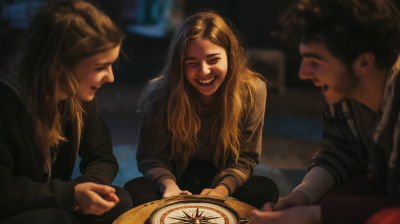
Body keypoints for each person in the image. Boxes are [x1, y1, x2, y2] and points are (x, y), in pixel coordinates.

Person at [252, 0, 400, 223]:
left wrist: (315, 215)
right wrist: (303, 195)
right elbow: (339, 147)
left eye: (315, 61)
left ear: (363, 62)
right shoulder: (342, 88)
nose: (303, 73)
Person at [123, 11, 279, 209]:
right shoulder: (160, 92)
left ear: (230, 57)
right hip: (176, 173)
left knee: (266, 191)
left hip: (223, 173)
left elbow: (245, 159)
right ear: (179, 65)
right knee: (133, 191)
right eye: (192, 63)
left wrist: (221, 191)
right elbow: (150, 157)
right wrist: (169, 186)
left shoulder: (253, 89)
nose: (204, 71)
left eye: (213, 59)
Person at [0, 1, 132, 223]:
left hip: (53, 201)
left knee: (122, 201)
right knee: (59, 218)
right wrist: (69, 195)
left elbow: (102, 158)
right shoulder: (7, 103)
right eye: (100, 67)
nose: (110, 77)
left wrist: (86, 190)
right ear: (59, 65)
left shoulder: (79, 96)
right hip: (14, 208)